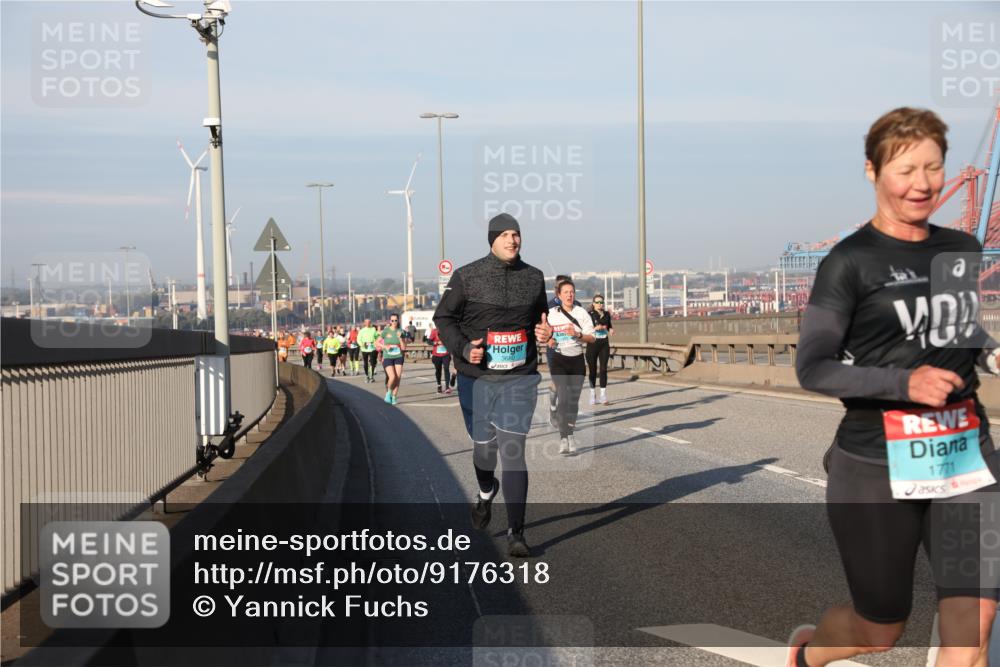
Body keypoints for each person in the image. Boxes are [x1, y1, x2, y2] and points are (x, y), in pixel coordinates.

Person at [790, 107, 998, 667]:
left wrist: (992, 350)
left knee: (971, 626)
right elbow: (813, 365)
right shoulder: (849, 262)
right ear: (872, 172)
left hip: (963, 449)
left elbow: (958, 330)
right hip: (876, 460)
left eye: (933, 167)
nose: (923, 183)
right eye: (906, 169)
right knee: (880, 629)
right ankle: (809, 654)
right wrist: (905, 381)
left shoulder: (958, 247)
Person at [433, 213, 552, 557]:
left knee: (513, 450)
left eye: (517, 234)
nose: (512, 240)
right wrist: (465, 347)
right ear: (492, 239)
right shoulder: (467, 277)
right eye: (505, 235)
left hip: (519, 377)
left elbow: (539, 321)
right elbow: (444, 318)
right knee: (485, 451)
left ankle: (517, 533)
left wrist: (544, 333)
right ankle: (486, 491)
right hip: (478, 379)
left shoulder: (533, 277)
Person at [547, 279, 595, 455]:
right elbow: (544, 334)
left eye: (571, 292)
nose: (569, 295)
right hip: (559, 359)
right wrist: (548, 339)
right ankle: (563, 438)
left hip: (577, 360)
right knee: (564, 398)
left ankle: (571, 434)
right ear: (558, 296)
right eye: (565, 292)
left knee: (573, 402)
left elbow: (592, 338)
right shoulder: (551, 314)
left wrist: (578, 334)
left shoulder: (581, 313)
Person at [586, 293, 613, 405]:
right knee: (592, 370)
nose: (599, 304)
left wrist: (611, 329)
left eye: (601, 302)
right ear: (593, 304)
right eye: (597, 302)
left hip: (604, 343)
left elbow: (609, 325)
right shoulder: (589, 314)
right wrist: (595, 328)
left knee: (603, 369)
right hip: (593, 343)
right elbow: (587, 328)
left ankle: (603, 395)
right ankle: (593, 395)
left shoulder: (607, 314)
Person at [377, 314, 406, 404]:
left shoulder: (401, 331)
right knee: (392, 377)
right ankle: (388, 393)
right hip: (388, 357)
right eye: (392, 320)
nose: (394, 322)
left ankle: (394, 397)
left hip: (398, 356)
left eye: (395, 320)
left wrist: (400, 338)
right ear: (390, 321)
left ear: (398, 321)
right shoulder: (386, 331)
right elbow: (376, 342)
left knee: (398, 377)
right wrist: (384, 346)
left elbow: (404, 348)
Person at [427, 326, 453, 394]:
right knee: (438, 370)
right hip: (436, 355)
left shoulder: (448, 330)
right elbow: (429, 341)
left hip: (446, 354)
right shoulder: (434, 331)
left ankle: (447, 387)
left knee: (446, 369)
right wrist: (435, 343)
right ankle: (439, 385)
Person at [358, 318, 379, 383]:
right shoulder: (362, 330)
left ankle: (371, 376)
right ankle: (367, 375)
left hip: (372, 348)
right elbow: (358, 339)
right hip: (364, 348)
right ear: (364, 323)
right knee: (365, 363)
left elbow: (377, 337)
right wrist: (362, 344)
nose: (368, 323)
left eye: (369, 322)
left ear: (370, 323)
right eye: (366, 322)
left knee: (372, 363)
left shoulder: (373, 329)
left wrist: (376, 342)